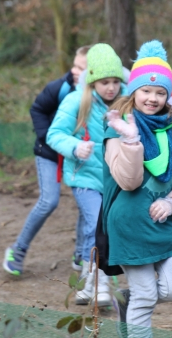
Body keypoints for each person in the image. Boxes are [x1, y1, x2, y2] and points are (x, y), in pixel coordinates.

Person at [103, 40, 172, 338]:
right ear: (134, 91)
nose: (152, 98)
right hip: (129, 227)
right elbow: (127, 181)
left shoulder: (171, 131)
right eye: (146, 90)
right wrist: (131, 140)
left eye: (160, 92)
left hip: (165, 227)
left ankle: (131, 302)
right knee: (146, 297)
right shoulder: (117, 131)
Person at [46, 43, 125, 307]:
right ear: (92, 81)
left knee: (108, 228)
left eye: (115, 81)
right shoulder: (77, 100)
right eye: (105, 82)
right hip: (85, 178)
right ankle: (100, 283)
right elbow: (54, 134)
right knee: (96, 225)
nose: (111, 87)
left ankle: (85, 284)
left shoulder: (126, 101)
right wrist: (76, 147)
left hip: (116, 180)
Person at [3, 45, 91, 276]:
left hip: (81, 157)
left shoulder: (101, 94)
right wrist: (48, 137)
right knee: (49, 201)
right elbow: (38, 109)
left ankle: (81, 255)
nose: (74, 70)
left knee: (87, 204)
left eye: (81, 68)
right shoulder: (60, 87)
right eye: (74, 64)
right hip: (50, 153)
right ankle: (17, 250)